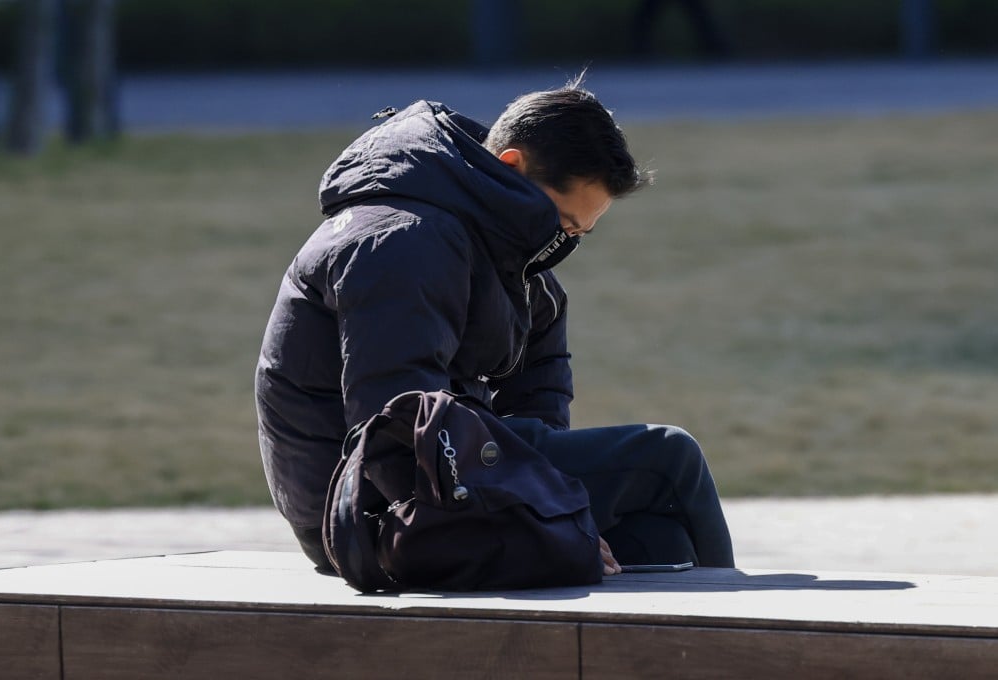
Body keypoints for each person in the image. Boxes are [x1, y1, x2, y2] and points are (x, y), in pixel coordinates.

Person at [255, 75, 735, 578]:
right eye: (563, 223)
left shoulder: (507, 255)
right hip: (375, 513)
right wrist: (527, 519)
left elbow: (542, 393)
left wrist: (556, 513)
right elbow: (395, 422)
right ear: (511, 166)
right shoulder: (402, 240)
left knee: (661, 539)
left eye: (577, 235)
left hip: (442, 476)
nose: (562, 242)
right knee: (668, 459)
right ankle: (747, 641)